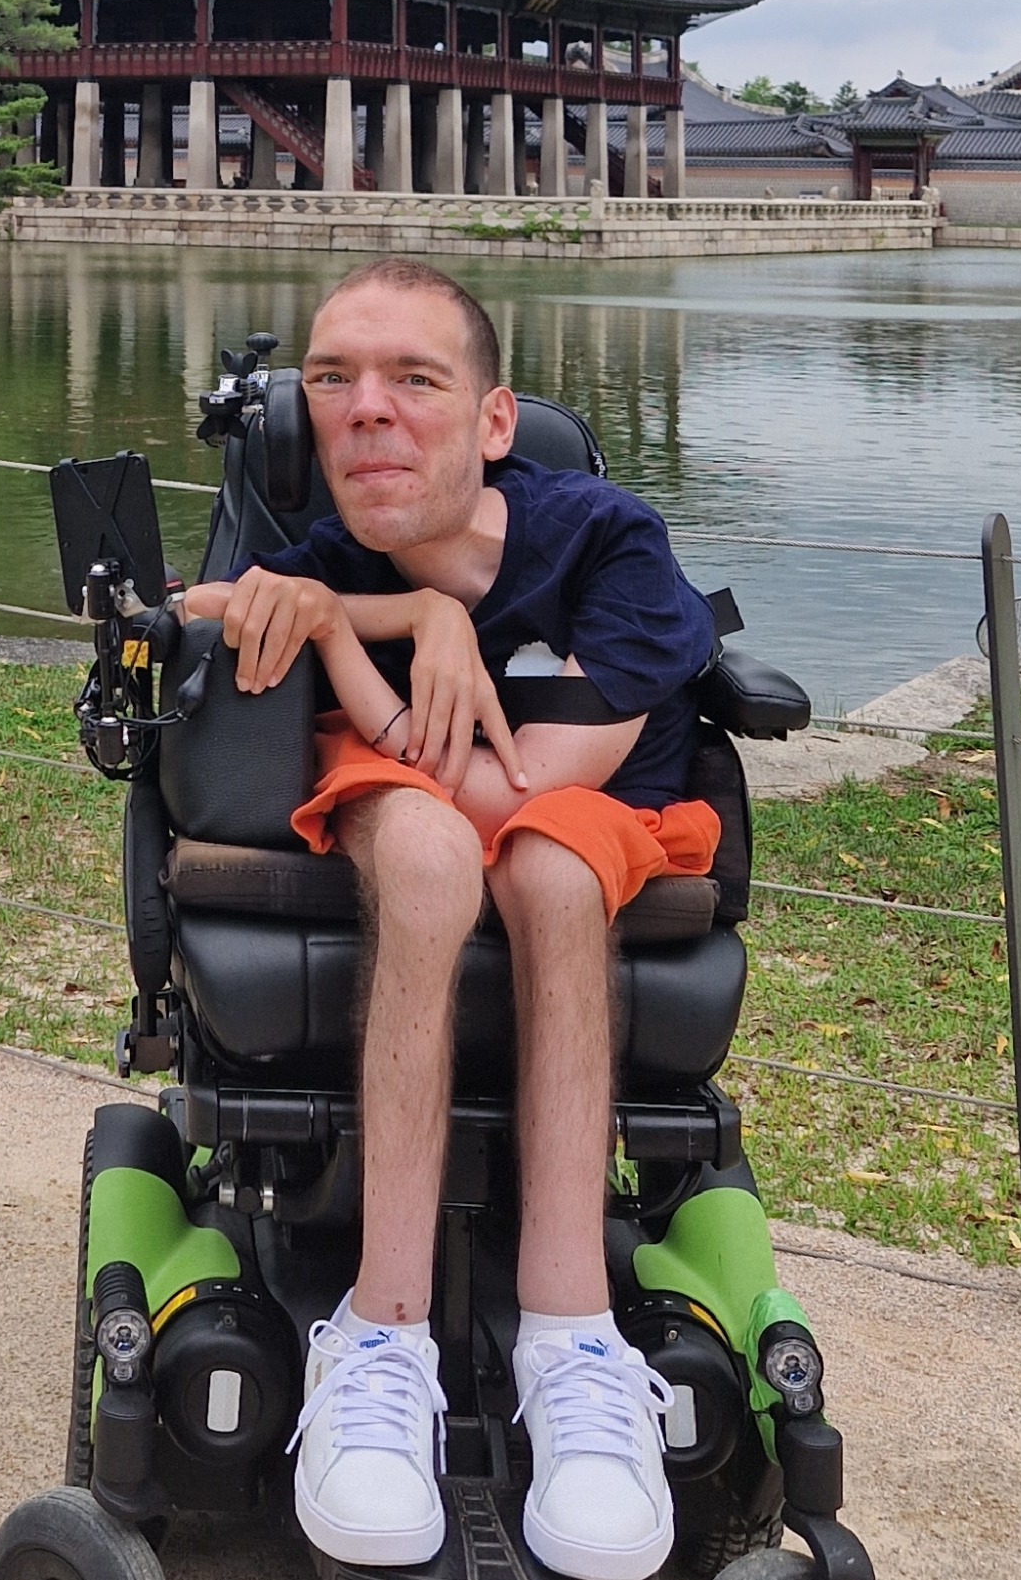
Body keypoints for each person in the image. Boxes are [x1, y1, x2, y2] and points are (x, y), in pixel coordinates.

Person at [181, 258, 720, 1580]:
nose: (367, 409)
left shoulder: (608, 539)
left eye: (414, 378)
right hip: (404, 797)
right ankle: (382, 1327)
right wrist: (409, 610)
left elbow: (524, 780)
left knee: (540, 861)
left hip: (587, 807)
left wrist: (356, 646)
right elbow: (203, 610)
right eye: (332, 378)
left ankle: (573, 1333)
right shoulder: (313, 548)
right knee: (423, 850)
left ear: (492, 418)